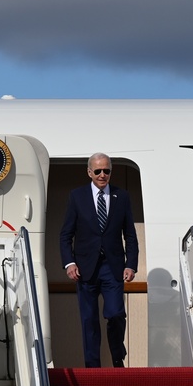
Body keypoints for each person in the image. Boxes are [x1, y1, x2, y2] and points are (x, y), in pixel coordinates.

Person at [59, 153, 139, 368]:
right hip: (85, 269)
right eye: (98, 171)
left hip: (112, 267)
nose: (102, 175)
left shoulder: (121, 197)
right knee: (89, 320)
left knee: (115, 314)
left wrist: (131, 264)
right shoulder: (77, 197)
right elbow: (66, 234)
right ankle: (92, 367)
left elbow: (130, 234)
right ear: (89, 172)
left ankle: (116, 355)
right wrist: (69, 263)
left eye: (107, 171)